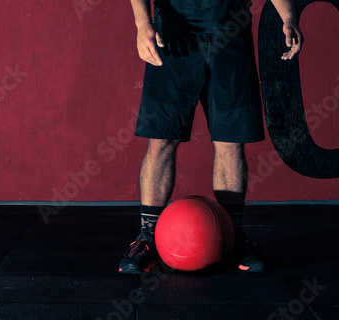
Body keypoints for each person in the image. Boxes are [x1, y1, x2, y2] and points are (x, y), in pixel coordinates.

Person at [119, 0, 303, 274]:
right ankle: (147, 238)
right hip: (174, 34)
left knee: (231, 142)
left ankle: (232, 237)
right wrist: (142, 23)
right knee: (161, 139)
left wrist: (288, 17)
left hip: (230, 30)